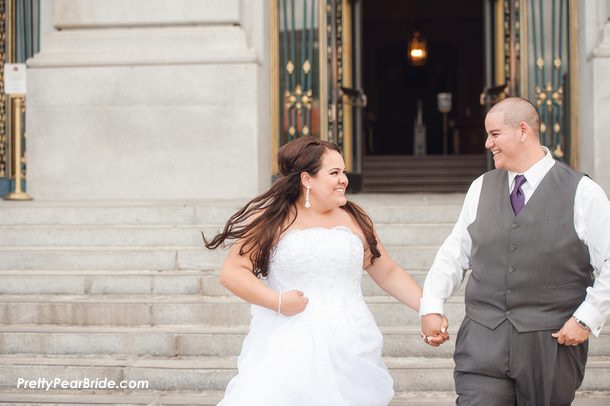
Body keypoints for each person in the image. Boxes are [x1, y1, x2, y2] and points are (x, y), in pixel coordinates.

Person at [204, 136, 448, 406]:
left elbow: (387, 271)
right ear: (307, 179)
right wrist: (279, 301)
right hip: (290, 342)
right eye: (334, 173)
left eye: (343, 171)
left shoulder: (355, 218)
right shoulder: (271, 219)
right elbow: (232, 272)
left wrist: (428, 309)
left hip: (351, 340)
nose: (344, 179)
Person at [420, 97, 610, 406]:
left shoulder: (583, 192)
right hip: (482, 342)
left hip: (550, 344)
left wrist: (587, 318)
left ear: (523, 131)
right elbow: (454, 253)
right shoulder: (481, 187)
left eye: (494, 134)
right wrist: (431, 305)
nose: (487, 143)